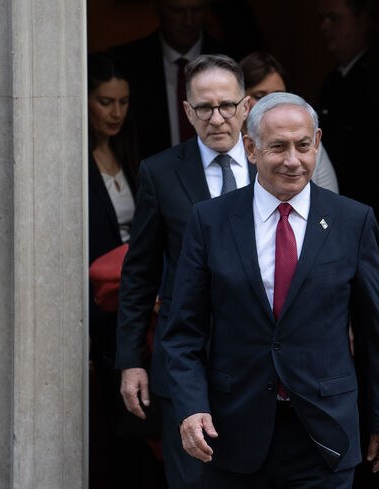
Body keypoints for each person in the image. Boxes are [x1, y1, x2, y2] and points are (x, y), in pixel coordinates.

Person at [162, 92, 379, 488]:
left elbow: (374, 331)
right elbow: (183, 332)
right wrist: (191, 407)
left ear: (318, 143)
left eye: (303, 145)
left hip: (323, 433)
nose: (292, 160)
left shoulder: (352, 220)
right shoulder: (210, 220)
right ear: (251, 149)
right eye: (277, 147)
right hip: (232, 432)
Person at [116, 54, 255, 489]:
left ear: (246, 107)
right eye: (204, 108)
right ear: (187, 112)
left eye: (227, 106)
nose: (217, 118)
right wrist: (130, 360)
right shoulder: (159, 172)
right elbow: (138, 273)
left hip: (259, 366)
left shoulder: (273, 167)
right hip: (185, 365)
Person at [86, 51, 160, 488]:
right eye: (105, 101)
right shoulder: (72, 164)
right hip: (101, 313)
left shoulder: (133, 156)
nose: (116, 112)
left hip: (136, 306)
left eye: (123, 101)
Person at [111, 0, 232, 160]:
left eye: (196, 11)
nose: (188, 21)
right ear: (158, 8)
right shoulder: (127, 63)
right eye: (177, 11)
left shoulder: (231, 60)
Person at [316, 0, 379, 214]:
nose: (324, 27)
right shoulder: (334, 80)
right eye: (322, 19)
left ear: (362, 20)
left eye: (334, 18)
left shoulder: (375, 79)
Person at [239, 51, 339, 194]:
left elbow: (330, 205)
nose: (272, 104)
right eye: (259, 96)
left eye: (280, 96)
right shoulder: (228, 147)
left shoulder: (310, 142)